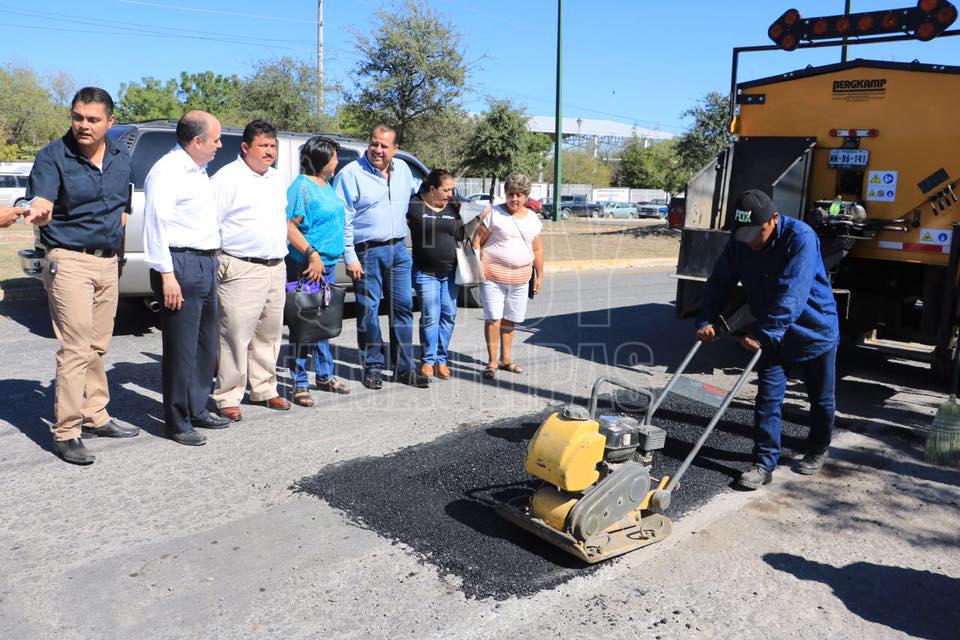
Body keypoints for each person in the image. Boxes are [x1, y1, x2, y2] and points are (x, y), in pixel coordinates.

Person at [21, 87, 139, 465]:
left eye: (92, 119)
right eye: (77, 117)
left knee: (97, 346)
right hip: (69, 260)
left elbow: (123, 209)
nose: (83, 125)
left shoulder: (120, 156)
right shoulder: (53, 156)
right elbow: (42, 201)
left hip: (108, 262)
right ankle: (67, 431)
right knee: (75, 349)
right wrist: (37, 209)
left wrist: (119, 255)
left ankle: (95, 414)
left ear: (110, 121)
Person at [696, 189, 839, 490]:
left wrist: (763, 334)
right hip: (772, 334)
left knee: (821, 400)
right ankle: (763, 463)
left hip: (813, 330)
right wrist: (706, 319)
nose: (750, 241)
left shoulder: (800, 237)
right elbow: (719, 281)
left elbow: (792, 293)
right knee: (767, 400)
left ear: (773, 219)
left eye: (755, 233)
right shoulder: (740, 242)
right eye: (743, 233)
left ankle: (818, 447)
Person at [143, 110, 229, 446]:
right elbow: (155, 226)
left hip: (205, 263)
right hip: (180, 264)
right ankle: (177, 421)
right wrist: (167, 275)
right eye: (215, 139)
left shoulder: (198, 170)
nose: (219, 145)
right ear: (196, 141)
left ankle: (197, 407)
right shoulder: (168, 171)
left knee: (205, 343)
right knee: (181, 349)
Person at [332, 124, 429, 390]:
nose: (377, 150)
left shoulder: (404, 170)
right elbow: (343, 219)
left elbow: (420, 193)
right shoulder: (351, 174)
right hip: (367, 252)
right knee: (368, 311)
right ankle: (373, 366)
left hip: (399, 250)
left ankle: (404, 368)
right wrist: (350, 256)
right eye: (374, 143)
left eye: (384, 146)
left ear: (395, 149)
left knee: (403, 309)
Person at [209, 119, 292, 422]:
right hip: (241, 267)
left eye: (273, 146)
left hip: (275, 266)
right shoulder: (226, 178)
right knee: (235, 335)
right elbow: (211, 223)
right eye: (263, 146)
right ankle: (228, 395)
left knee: (269, 333)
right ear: (245, 147)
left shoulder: (277, 178)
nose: (269, 151)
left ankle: (264, 388)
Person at [285, 136, 351, 407]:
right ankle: (299, 382)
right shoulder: (302, 186)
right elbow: (289, 226)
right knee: (304, 325)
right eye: (334, 157)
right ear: (322, 160)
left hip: (328, 265)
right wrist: (312, 255)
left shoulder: (326, 184)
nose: (337, 161)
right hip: (309, 265)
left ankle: (324, 375)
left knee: (323, 322)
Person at [473, 173, 544, 379]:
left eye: (519, 195)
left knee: (511, 320)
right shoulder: (494, 214)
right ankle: (492, 362)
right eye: (511, 194)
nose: (515, 199)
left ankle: (506, 359)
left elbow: (537, 249)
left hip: (521, 279)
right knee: (493, 318)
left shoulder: (532, 218)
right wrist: (477, 267)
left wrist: (540, 275)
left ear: (526, 196)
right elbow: (477, 241)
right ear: (505, 194)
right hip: (492, 276)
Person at [407, 169, 463, 380]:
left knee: (449, 315)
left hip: (450, 272)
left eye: (452, 189)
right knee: (431, 316)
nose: (450, 194)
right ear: (432, 189)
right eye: (446, 190)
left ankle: (441, 359)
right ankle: (428, 361)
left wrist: (479, 218)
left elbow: (461, 234)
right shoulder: (414, 205)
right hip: (426, 272)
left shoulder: (453, 206)